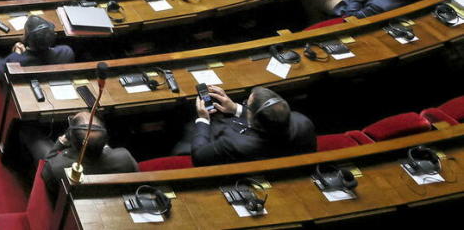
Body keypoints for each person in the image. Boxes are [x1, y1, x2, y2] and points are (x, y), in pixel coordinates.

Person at [174, 85, 315, 166]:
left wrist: (203, 119)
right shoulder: (303, 123)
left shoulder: (233, 143)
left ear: (253, 120)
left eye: (246, 105)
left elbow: (199, 157)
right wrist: (236, 108)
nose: (244, 106)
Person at [38, 112, 139, 186]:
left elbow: (46, 168)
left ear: (71, 140)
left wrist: (61, 142)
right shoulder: (125, 157)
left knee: (32, 135)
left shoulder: (57, 167)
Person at [2, 15, 74, 67]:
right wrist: (24, 54)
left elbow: (1, 71)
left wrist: (17, 54)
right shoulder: (66, 52)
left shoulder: (14, 60)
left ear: (26, 39)